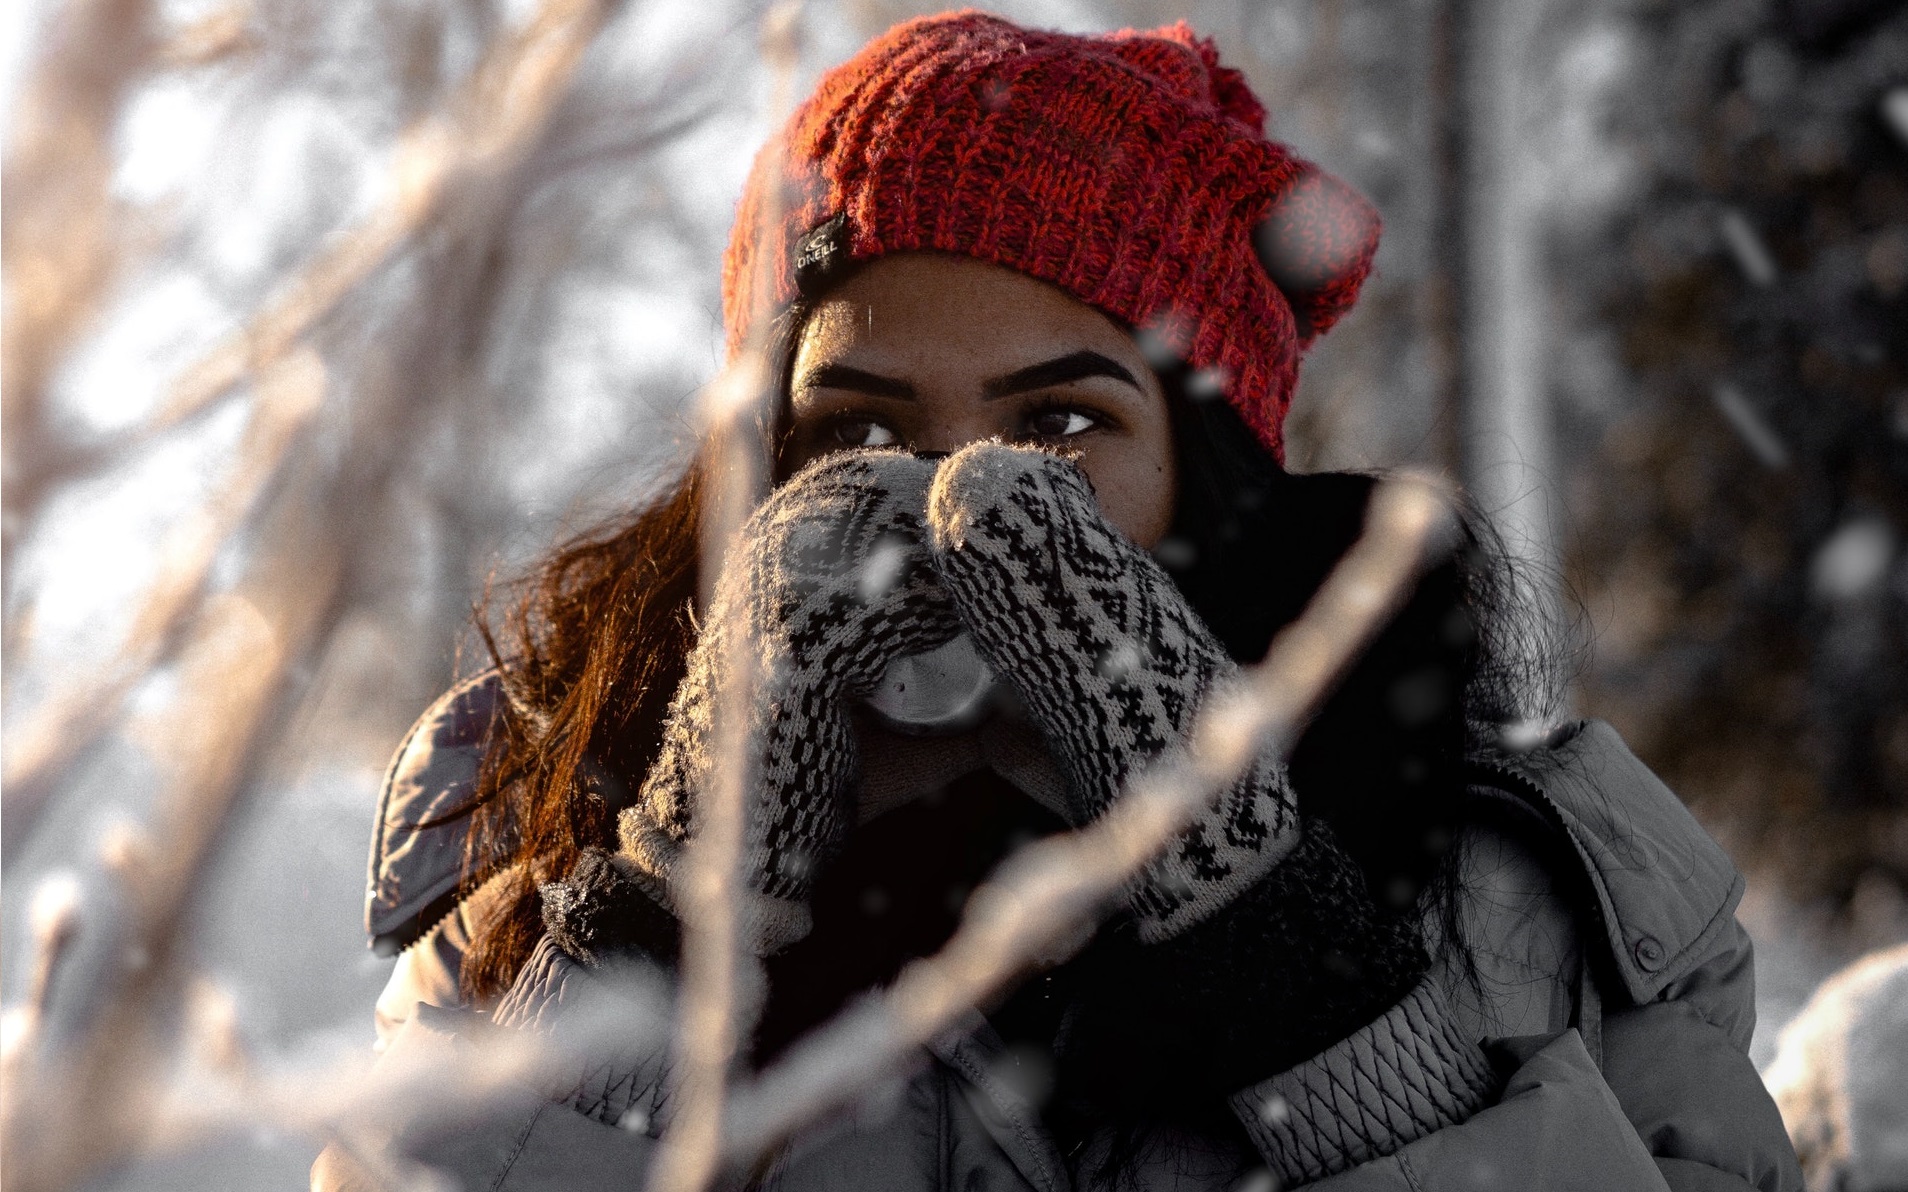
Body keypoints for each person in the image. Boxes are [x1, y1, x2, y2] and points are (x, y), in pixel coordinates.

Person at [314, 13, 1804, 1191]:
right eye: (858, 436)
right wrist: (665, 924)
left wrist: (1296, 960)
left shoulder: (1522, 906)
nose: (949, 502)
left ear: (1211, 472)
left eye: (1061, 428)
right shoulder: (537, 883)